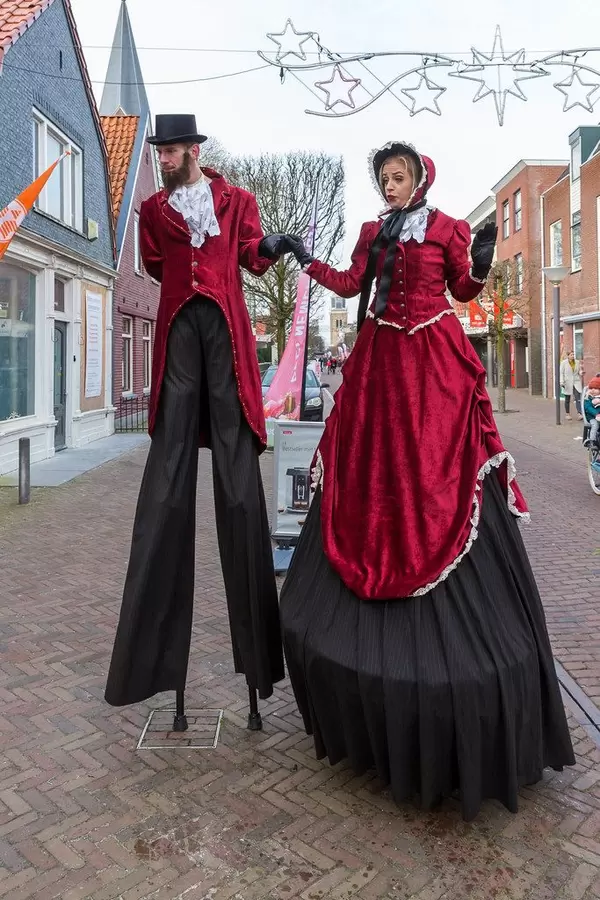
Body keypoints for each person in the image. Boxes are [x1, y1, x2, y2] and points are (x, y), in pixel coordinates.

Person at [279, 141, 574, 821]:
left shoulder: (446, 228)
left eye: (399, 175)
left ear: (420, 176)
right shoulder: (371, 232)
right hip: (382, 364)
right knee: (374, 476)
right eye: (383, 178)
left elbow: (465, 291)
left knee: (441, 474)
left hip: (434, 364)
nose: (390, 185)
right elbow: (354, 285)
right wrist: (305, 257)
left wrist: (482, 257)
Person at [105, 115, 297, 709]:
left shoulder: (236, 199)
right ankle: (152, 668)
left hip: (227, 341)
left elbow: (250, 255)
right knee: (166, 485)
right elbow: (160, 268)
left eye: (169, 150)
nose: (161, 158)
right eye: (157, 151)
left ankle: (260, 668)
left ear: (193, 149)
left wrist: (272, 244)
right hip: (178, 335)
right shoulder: (152, 213)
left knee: (240, 491)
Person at [560, 350, 584, 420]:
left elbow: (579, 371)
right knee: (567, 399)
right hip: (567, 383)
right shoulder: (564, 363)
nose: (573, 356)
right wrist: (562, 382)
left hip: (576, 382)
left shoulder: (577, 362)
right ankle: (567, 414)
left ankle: (579, 414)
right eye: (571, 355)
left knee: (578, 398)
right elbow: (561, 373)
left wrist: (581, 372)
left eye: (573, 354)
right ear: (568, 356)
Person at [584, 376, 600, 446]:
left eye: (595, 388)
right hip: (592, 417)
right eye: (591, 388)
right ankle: (592, 440)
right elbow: (588, 408)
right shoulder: (588, 398)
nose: (593, 390)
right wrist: (596, 414)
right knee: (595, 425)